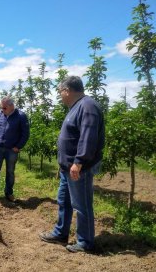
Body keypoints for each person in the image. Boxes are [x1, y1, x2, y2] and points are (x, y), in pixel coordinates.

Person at [39, 76, 105, 253]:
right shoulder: (76, 107)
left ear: (67, 90)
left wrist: (79, 162)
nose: (60, 95)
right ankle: (61, 233)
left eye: (60, 92)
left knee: (82, 205)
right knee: (64, 201)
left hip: (78, 168)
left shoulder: (88, 106)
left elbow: (88, 137)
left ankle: (85, 243)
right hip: (67, 168)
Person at [0, 97, 29, 202]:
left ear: (11, 106)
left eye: (4, 108)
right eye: (1, 107)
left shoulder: (21, 116)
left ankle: (9, 193)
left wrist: (18, 146)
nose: (2, 109)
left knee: (10, 171)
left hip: (12, 150)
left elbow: (25, 134)